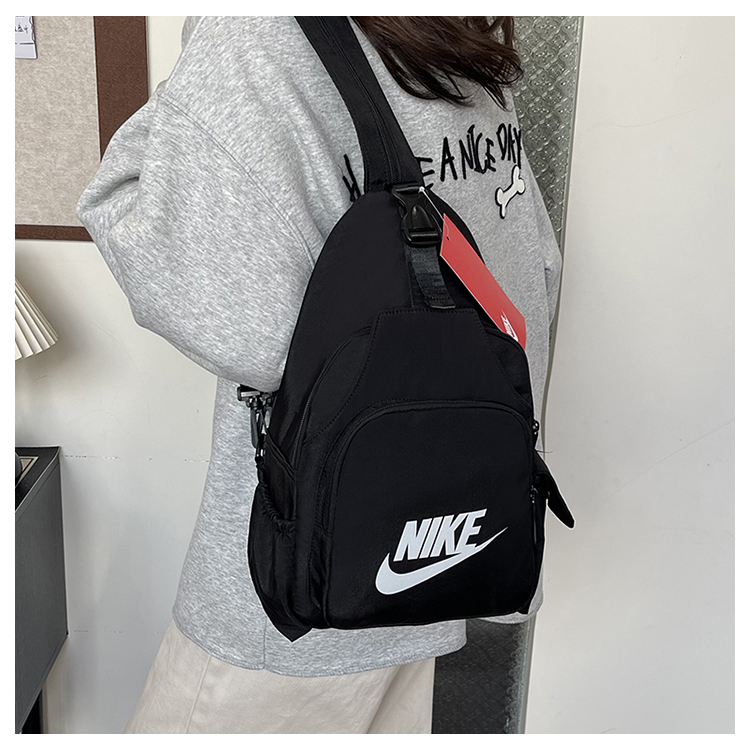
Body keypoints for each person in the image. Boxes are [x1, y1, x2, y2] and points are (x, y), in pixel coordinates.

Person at [77, 16, 562, 734]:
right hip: (442, 546)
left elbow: (242, 325)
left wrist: (197, 67)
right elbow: (533, 275)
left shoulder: (255, 35)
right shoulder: (453, 39)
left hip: (303, 585)